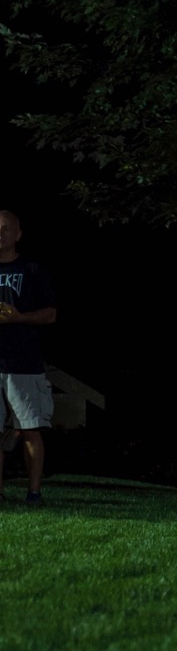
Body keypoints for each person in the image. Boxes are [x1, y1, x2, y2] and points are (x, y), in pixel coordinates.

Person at [0, 210, 56, 506]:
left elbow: (50, 314)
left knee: (29, 429)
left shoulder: (31, 269)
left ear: (18, 234)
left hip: (24, 364)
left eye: (6, 228)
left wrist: (19, 317)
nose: (0, 234)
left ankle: (34, 493)